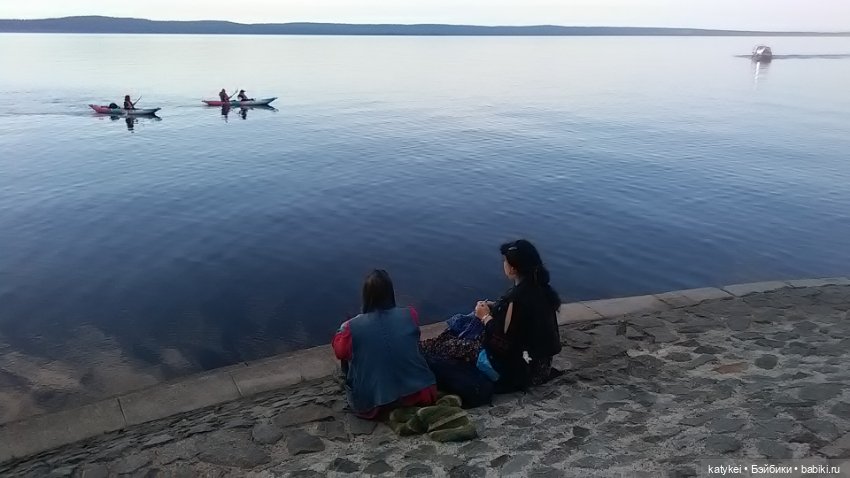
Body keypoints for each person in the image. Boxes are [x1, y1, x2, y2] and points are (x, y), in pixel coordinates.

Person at [422, 239, 562, 394]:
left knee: (450, 346)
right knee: (464, 330)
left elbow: (501, 345)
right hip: (541, 366)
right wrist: (497, 307)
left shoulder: (517, 300)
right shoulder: (542, 290)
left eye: (505, 261)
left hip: (522, 372)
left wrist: (485, 317)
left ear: (513, 269)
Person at [332, 270, 437, 419]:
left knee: (346, 359)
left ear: (365, 296)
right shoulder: (410, 314)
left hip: (374, 405)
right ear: (390, 292)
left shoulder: (351, 327)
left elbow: (340, 352)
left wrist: (343, 329)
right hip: (421, 392)